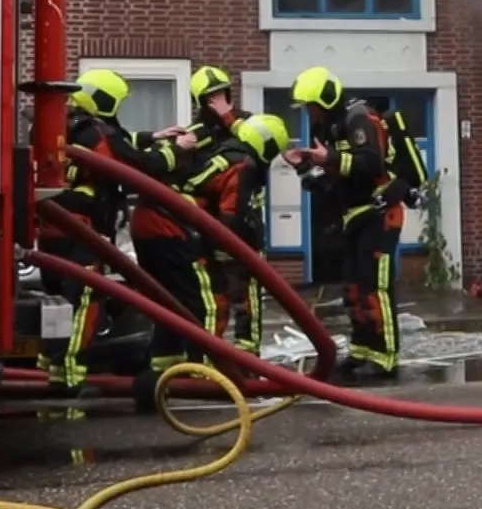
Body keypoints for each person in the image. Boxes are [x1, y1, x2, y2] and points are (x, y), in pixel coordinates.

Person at [37, 67, 199, 390]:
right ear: (105, 100)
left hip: (54, 228)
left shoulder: (66, 126)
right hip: (82, 228)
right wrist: (177, 148)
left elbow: (118, 144)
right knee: (85, 299)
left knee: (58, 302)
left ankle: (47, 369)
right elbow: (139, 166)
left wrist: (152, 136)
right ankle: (68, 378)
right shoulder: (96, 134)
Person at [284, 65, 410, 381]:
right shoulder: (329, 129)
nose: (310, 113)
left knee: (375, 287)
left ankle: (386, 358)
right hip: (355, 216)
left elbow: (371, 163)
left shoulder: (359, 118)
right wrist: (304, 168)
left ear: (325, 100)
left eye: (311, 106)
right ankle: (362, 351)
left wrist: (330, 159)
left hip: (381, 212)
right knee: (354, 288)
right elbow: (327, 183)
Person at [197, 113, 290, 353]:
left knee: (216, 301)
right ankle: (247, 354)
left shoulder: (225, 155)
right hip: (238, 245)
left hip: (213, 240)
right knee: (245, 302)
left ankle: (212, 355)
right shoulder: (244, 165)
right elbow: (232, 211)